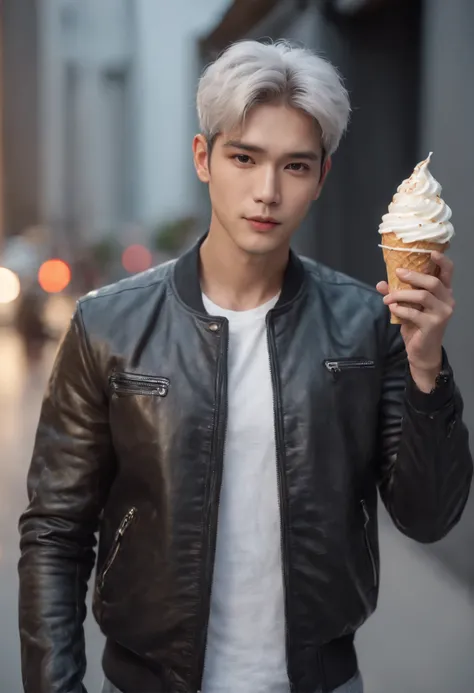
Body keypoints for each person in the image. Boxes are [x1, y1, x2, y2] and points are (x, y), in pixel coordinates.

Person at [18, 39, 472, 693]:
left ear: (322, 178)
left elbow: (428, 516)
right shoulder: (107, 325)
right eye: (244, 157)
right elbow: (57, 531)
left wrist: (428, 366)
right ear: (205, 158)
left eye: (294, 166)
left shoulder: (366, 324)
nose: (266, 191)